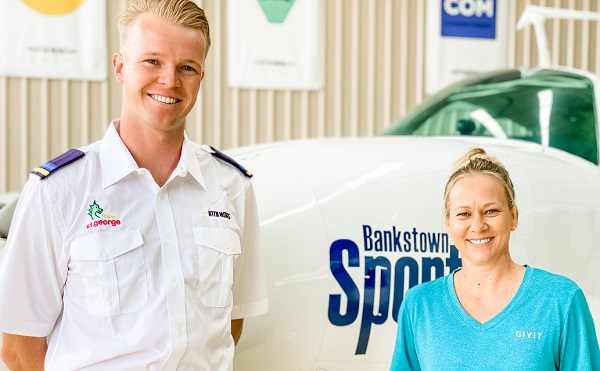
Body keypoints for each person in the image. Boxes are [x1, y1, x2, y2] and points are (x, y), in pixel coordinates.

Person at [0, 0, 268, 369]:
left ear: (201, 76)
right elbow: (19, 346)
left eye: (186, 67)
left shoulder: (232, 187)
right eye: (152, 61)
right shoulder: (58, 191)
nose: (169, 81)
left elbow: (229, 327)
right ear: (120, 67)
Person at [390, 147, 599, 370]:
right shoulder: (419, 306)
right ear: (448, 223)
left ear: (514, 217)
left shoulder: (560, 300)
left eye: (491, 211)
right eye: (464, 214)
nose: (478, 226)